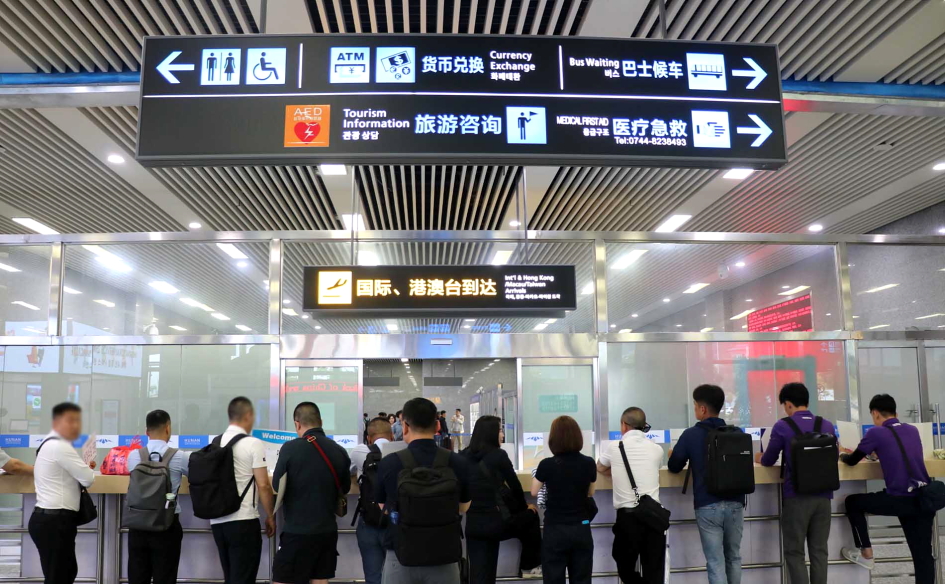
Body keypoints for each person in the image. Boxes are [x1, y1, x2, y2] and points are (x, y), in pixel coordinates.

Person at [375, 397, 472, 583]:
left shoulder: (389, 463)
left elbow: (383, 507)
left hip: (400, 555)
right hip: (444, 555)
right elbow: (463, 507)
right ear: (437, 426)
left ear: (404, 426)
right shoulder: (458, 462)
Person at [840, 394, 934, 582]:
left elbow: (851, 461)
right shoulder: (912, 430)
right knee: (923, 555)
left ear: (875, 413)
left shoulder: (876, 433)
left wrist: (842, 453)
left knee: (852, 502)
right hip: (923, 498)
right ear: (895, 413)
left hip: (898, 499)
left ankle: (866, 552)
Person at [757, 383, 834, 584]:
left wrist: (759, 457)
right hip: (824, 497)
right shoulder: (826, 425)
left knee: (794, 551)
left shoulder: (782, 426)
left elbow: (768, 460)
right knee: (819, 551)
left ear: (788, 404)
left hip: (796, 497)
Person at [668, 384, 744, 584]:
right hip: (736, 503)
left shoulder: (691, 434)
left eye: (695, 406)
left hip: (707, 504)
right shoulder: (736, 432)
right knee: (734, 557)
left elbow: (674, 466)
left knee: (715, 561)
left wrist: (672, 454)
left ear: (702, 409)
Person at [273, 402, 351, 584]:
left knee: (283, 579)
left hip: (297, 531)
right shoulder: (339, 450)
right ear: (321, 422)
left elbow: (277, 485)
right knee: (320, 579)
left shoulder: (290, 448)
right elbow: (345, 488)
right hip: (327, 531)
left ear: (297, 424)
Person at [462, 415, 542, 582]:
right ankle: (529, 566)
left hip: (473, 525)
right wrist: (524, 508)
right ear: (491, 433)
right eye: (500, 430)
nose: (503, 434)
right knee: (532, 515)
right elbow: (515, 486)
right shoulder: (499, 455)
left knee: (480, 574)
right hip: (498, 524)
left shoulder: (462, 456)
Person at [210, 397, 276, 584]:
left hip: (217, 522)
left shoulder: (215, 442)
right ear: (248, 415)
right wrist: (270, 515)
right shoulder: (253, 443)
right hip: (243, 521)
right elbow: (263, 485)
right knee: (244, 578)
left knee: (230, 577)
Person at [29, 402, 96, 584]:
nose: (75, 426)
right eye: (70, 421)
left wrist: (83, 468)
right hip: (55, 522)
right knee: (60, 576)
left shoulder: (48, 443)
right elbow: (88, 479)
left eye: (77, 421)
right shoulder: (60, 446)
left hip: (49, 520)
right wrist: (85, 469)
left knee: (61, 574)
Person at [597, 407, 664, 584]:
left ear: (624, 426)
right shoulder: (656, 449)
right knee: (654, 572)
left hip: (628, 519)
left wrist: (616, 472)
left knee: (625, 567)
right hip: (654, 517)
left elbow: (600, 467)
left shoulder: (615, 447)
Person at [126, 409, 191, 584]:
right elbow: (195, 475)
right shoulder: (179, 456)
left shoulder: (134, 456)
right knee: (165, 577)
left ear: (146, 431)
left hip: (138, 524)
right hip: (167, 524)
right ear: (168, 428)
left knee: (137, 577)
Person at [531, 416, 596, 584]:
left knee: (553, 578)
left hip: (555, 528)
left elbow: (534, 491)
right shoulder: (589, 463)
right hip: (581, 527)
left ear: (553, 439)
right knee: (582, 578)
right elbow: (591, 492)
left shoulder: (546, 464)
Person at [350, 418, 393, 584]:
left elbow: (349, 471)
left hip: (369, 521)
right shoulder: (401, 452)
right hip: (395, 523)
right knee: (397, 577)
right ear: (391, 436)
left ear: (368, 438)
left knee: (373, 576)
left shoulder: (359, 451)